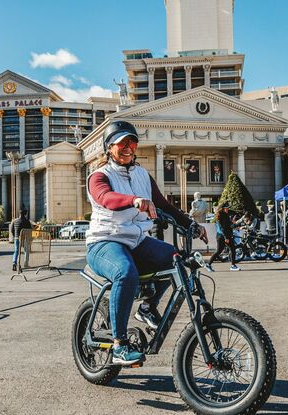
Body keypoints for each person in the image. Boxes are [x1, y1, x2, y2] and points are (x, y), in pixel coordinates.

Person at [86, 120, 207, 365]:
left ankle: (147, 307)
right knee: (125, 272)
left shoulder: (142, 175)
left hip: (136, 240)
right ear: (110, 147)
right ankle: (120, 345)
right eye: (122, 143)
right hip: (104, 243)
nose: (128, 147)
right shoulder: (99, 176)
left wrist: (191, 225)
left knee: (174, 257)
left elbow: (163, 206)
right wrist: (134, 201)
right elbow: (106, 198)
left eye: (132, 142)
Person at [205, 203, 240, 272]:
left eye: (227, 208)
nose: (227, 209)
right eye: (226, 208)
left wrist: (234, 224)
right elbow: (222, 228)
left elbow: (229, 226)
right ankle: (209, 264)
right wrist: (226, 237)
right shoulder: (220, 217)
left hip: (225, 236)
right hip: (222, 236)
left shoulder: (226, 215)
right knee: (220, 251)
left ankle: (233, 265)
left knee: (230, 249)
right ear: (223, 209)